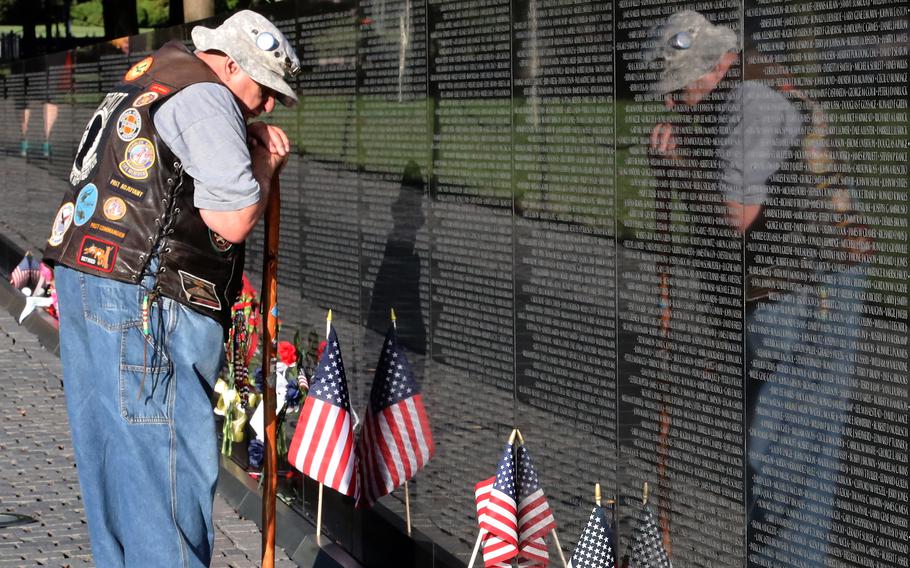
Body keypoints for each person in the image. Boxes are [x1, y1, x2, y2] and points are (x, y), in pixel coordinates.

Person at [42, 10, 299, 567]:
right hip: (149, 301)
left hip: (91, 280)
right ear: (230, 64)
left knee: (115, 477)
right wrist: (266, 166)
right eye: (264, 88)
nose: (268, 105)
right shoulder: (208, 98)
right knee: (167, 483)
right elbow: (230, 218)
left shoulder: (149, 74)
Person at [649, 10, 871, 568]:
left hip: (805, 293)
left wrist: (679, 167)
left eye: (680, 88)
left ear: (711, 66)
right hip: (809, 284)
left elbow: (738, 217)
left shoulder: (749, 102)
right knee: (799, 457)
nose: (673, 103)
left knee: (779, 459)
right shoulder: (758, 82)